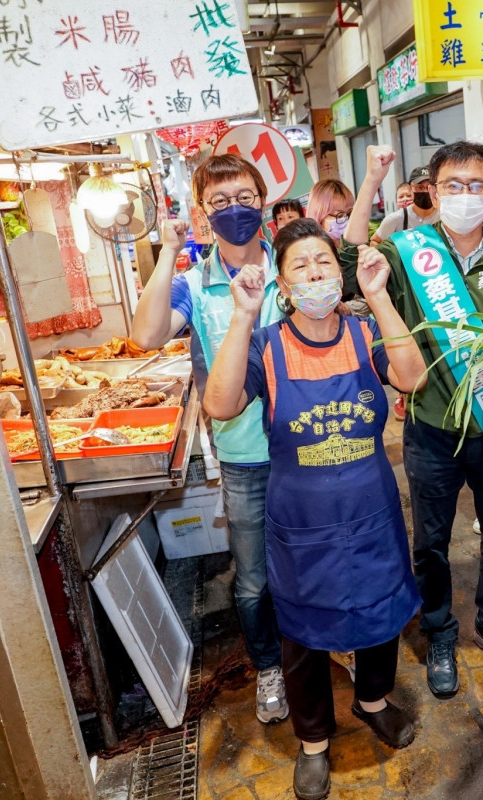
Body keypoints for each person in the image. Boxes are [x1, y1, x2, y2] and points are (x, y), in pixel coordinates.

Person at [204, 219, 427, 800]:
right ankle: (313, 743)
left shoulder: (362, 333)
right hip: (302, 522)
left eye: (324, 262)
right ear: (281, 283)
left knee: (380, 616)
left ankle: (374, 701)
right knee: (301, 632)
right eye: (300, 265)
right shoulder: (266, 344)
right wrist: (242, 316)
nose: (314, 273)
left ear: (342, 270)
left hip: (370, 510)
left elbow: (412, 377)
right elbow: (221, 403)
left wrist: (379, 298)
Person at [339, 141, 483, 700]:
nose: (465, 195)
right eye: (453, 185)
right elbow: (353, 263)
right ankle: (440, 630)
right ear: (433, 191)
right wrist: (372, 180)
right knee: (430, 539)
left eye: (477, 185)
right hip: (431, 425)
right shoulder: (410, 251)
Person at [131, 154, 290, 726]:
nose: (235, 210)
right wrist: (168, 250)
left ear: (264, 200)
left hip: (313, 449)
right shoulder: (193, 285)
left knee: (318, 556)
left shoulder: (294, 269)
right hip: (245, 456)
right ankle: (269, 667)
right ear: (203, 212)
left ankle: (324, 648)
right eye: (220, 202)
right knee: (252, 579)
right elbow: (146, 336)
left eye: (245, 197)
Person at [372, 167, 439, 244]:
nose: (425, 191)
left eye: (429, 188)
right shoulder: (396, 219)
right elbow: (375, 241)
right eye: (419, 187)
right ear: (410, 189)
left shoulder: (444, 216)